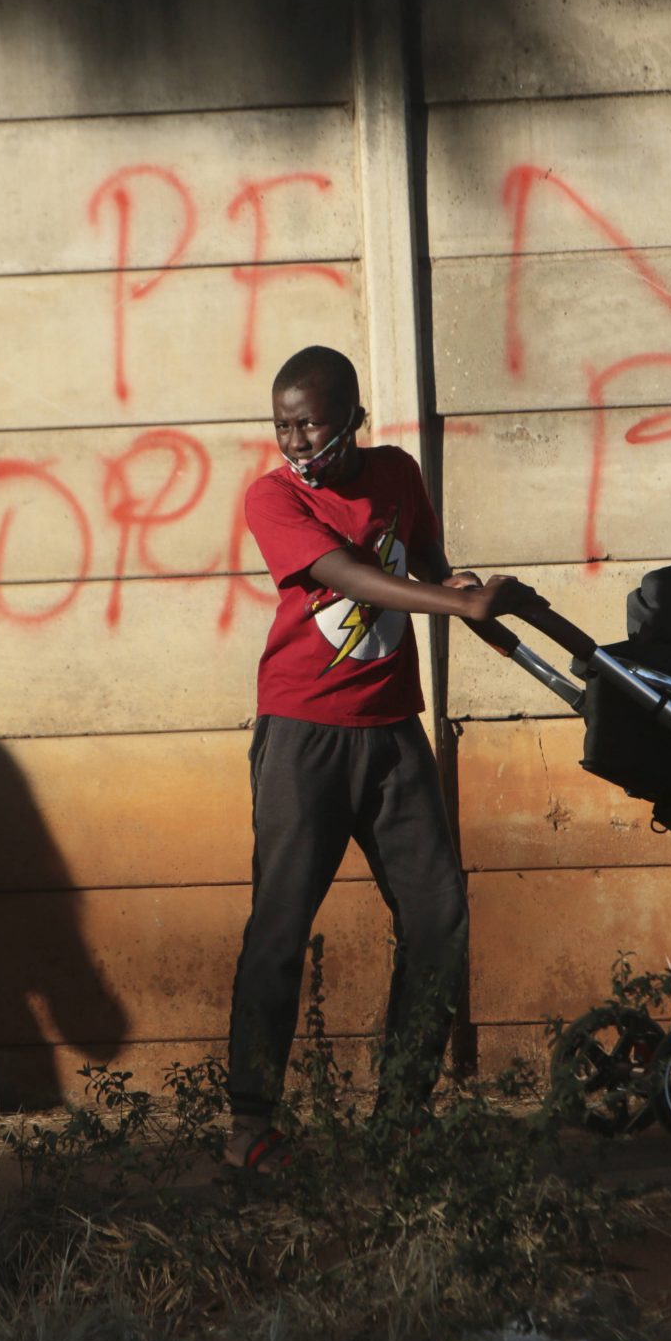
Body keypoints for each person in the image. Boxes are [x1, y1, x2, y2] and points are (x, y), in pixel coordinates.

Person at [224, 346, 535, 1169]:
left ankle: (400, 1113)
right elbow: (351, 578)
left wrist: (469, 594)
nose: (294, 441)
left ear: (353, 418)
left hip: (394, 732)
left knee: (438, 919)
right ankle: (250, 1125)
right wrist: (454, 601)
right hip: (303, 734)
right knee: (280, 927)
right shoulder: (272, 497)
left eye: (311, 424)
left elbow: (423, 559)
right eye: (281, 424)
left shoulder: (395, 472)